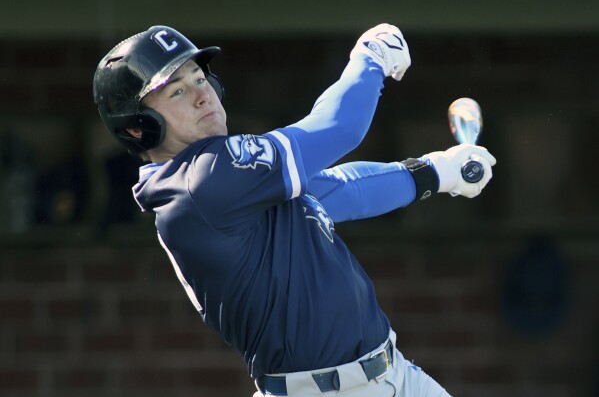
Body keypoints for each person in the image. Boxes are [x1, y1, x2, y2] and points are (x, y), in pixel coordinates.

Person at [93, 23, 496, 397]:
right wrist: (369, 59)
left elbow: (337, 191)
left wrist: (435, 172)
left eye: (200, 78)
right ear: (136, 126)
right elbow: (339, 127)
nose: (203, 94)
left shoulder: (227, 179)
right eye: (176, 91)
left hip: (396, 376)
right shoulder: (200, 182)